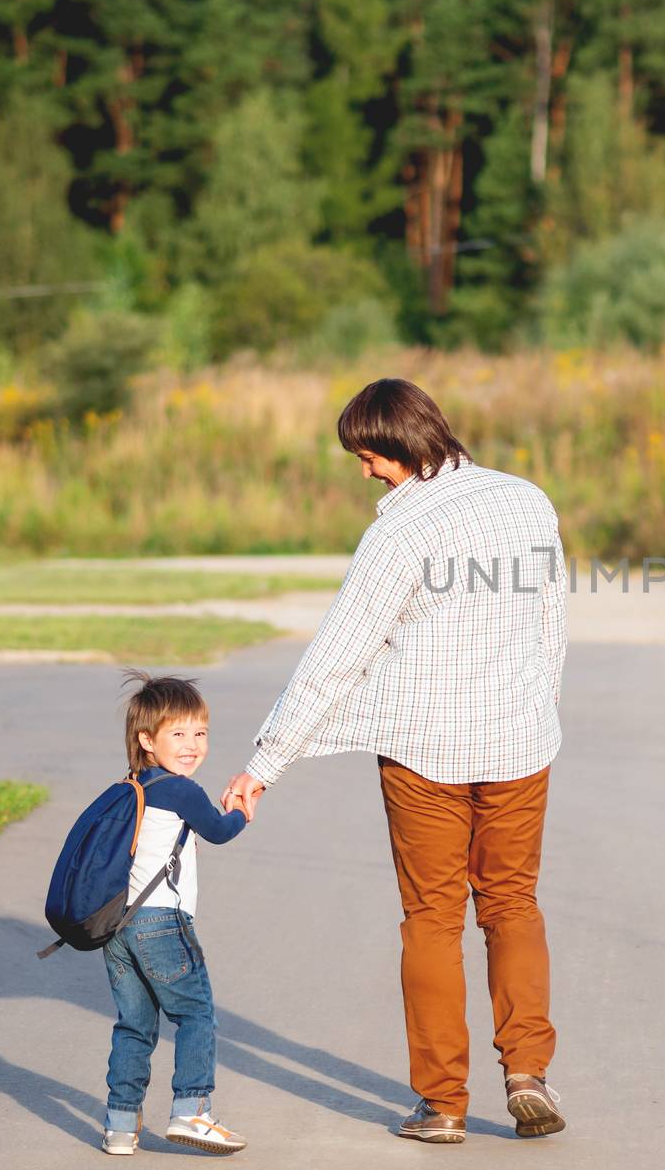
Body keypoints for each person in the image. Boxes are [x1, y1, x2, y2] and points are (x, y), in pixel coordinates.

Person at [220, 378, 568, 1144]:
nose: (364, 471)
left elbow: (337, 655)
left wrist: (265, 764)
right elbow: (551, 624)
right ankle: (527, 1073)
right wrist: (537, 710)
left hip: (424, 754)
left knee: (432, 920)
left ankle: (443, 1105)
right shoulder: (527, 500)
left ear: (400, 445)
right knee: (512, 904)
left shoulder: (400, 533)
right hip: (520, 744)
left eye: (367, 456)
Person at [101, 671, 251, 1157]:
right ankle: (192, 1109)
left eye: (200, 733)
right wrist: (242, 809)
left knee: (134, 1025)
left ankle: (121, 1125)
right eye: (178, 734)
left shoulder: (131, 787)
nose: (192, 746)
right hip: (162, 921)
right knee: (197, 1013)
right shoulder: (181, 790)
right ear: (147, 739)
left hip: (117, 928)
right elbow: (220, 830)